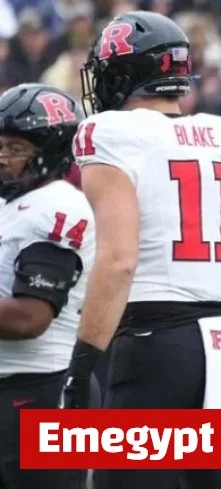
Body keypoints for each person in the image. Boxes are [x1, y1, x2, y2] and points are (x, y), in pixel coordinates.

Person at [57, 11, 221, 489]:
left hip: (155, 347)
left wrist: (79, 373)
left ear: (123, 75)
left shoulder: (109, 133)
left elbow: (119, 262)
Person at [0, 83, 93, 489]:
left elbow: (30, 317)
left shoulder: (57, 205)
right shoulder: (14, 204)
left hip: (41, 391)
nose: (3, 158)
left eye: (15, 148)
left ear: (50, 149)